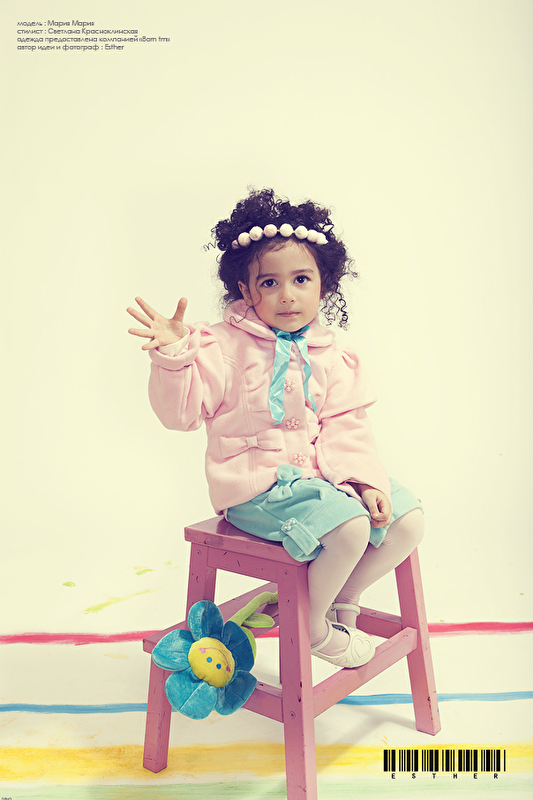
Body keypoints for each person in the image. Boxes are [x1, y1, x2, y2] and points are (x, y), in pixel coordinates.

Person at [127, 188, 424, 669]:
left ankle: (340, 598)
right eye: (269, 282)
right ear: (246, 292)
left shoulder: (332, 353)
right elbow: (179, 416)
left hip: (320, 480)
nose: (287, 294)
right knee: (349, 528)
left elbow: (345, 426)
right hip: (255, 490)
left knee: (407, 520)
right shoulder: (221, 346)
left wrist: (363, 481)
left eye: (301, 279)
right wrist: (175, 357)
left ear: (323, 285)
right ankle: (312, 627)